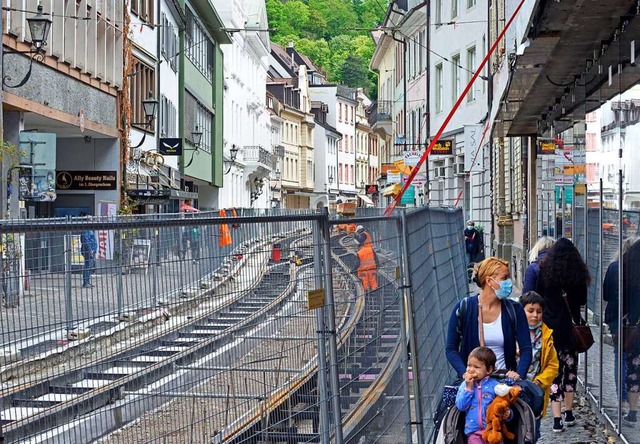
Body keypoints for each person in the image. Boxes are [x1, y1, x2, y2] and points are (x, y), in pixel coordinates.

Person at [535, 237, 591, 432]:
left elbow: (538, 297)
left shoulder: (545, 271)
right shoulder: (578, 274)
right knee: (570, 372)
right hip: (570, 329)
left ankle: (557, 418)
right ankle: (569, 412)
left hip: (550, 329)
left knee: (554, 372)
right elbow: (583, 300)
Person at [446, 257, 532, 381]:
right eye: (504, 278)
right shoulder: (464, 308)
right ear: (489, 281)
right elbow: (451, 349)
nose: (509, 282)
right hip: (473, 384)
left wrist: (519, 376)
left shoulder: (514, 310)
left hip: (504, 385)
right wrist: (464, 373)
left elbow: (526, 349)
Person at [603, 237, 640, 424]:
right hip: (635, 323)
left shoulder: (616, 267)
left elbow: (606, 294)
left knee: (622, 359)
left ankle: (624, 401)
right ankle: (632, 408)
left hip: (622, 323)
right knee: (634, 363)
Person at [520, 291, 560, 440]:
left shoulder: (546, 335)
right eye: (530, 311)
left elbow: (553, 365)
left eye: (539, 311)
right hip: (514, 388)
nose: (535, 315)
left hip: (534, 391)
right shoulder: (513, 331)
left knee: (533, 432)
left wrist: (539, 382)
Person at [455, 346, 512, 444]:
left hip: (493, 432)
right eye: (469, 365)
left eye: (476, 367)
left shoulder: (495, 386)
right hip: (474, 433)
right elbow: (460, 406)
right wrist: (468, 389)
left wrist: (509, 414)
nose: (471, 370)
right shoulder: (465, 385)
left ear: (489, 370)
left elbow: (503, 404)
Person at [79, 213, 97, 289]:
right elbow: (86, 241)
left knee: (89, 266)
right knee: (88, 266)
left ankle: (87, 282)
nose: (93, 221)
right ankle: (86, 283)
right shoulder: (86, 230)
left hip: (90, 250)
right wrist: (90, 250)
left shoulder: (89, 229)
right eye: (91, 220)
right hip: (88, 251)